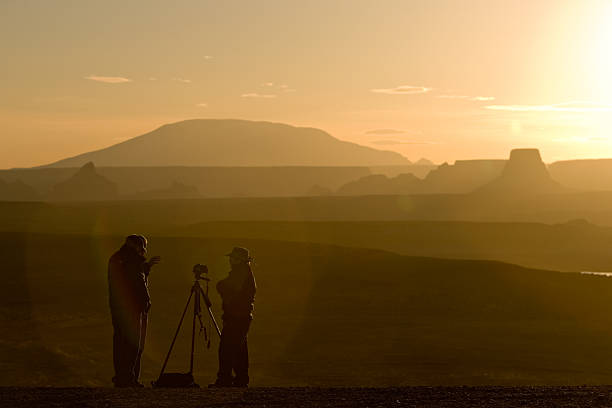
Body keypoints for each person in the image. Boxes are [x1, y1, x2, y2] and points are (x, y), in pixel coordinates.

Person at [108, 234, 160, 387]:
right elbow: (137, 282)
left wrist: (145, 268)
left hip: (117, 308)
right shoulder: (133, 261)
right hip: (133, 308)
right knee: (133, 344)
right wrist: (146, 302)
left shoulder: (117, 259)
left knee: (120, 342)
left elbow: (127, 278)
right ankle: (129, 378)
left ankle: (122, 376)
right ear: (138, 246)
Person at [210, 247, 257, 388]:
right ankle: (241, 379)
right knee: (239, 349)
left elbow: (226, 287)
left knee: (227, 348)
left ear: (240, 260)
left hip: (237, 317)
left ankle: (225, 379)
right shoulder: (243, 273)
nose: (230, 260)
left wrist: (220, 286)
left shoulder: (240, 273)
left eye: (233, 258)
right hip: (241, 317)